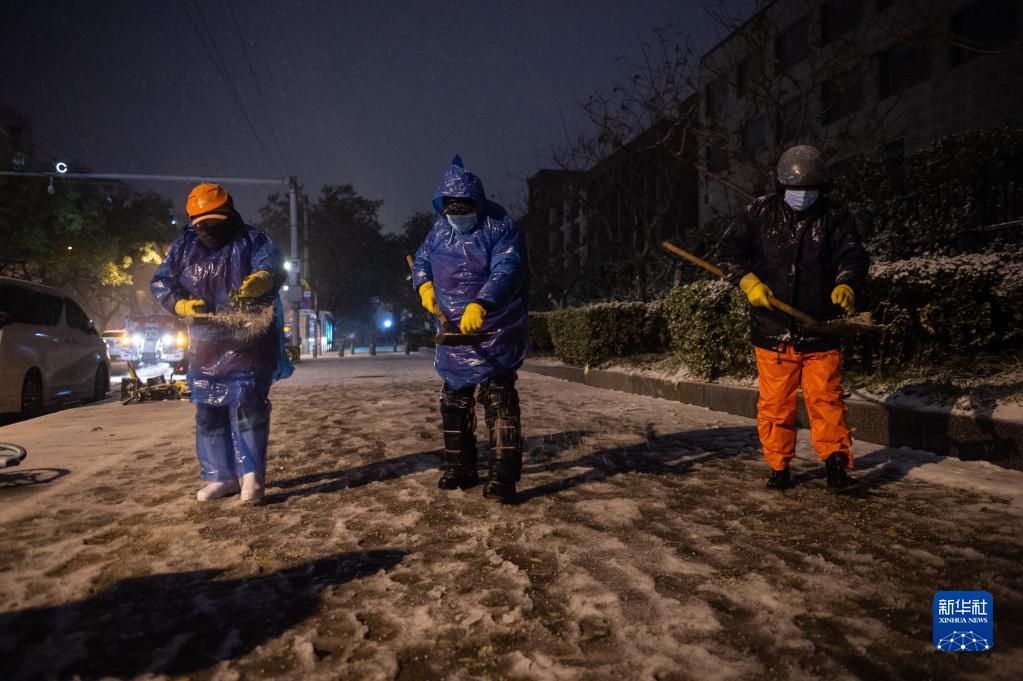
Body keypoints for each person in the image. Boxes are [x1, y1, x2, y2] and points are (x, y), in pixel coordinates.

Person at [718, 145, 869, 490]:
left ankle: (835, 465)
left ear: (823, 189)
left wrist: (847, 283)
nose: (802, 197)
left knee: (827, 401)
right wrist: (746, 279)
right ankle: (779, 466)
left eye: (809, 191)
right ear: (782, 187)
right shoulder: (758, 213)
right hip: (772, 331)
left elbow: (853, 255)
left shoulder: (835, 217)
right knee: (775, 406)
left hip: (821, 329)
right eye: (795, 190)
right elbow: (728, 251)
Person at [151, 182, 291, 503]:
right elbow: (162, 281)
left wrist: (261, 280)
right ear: (192, 222)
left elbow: (270, 262)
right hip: (206, 346)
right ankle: (220, 476)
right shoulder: (183, 249)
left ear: (230, 213)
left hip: (248, 341)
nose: (210, 230)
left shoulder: (252, 241)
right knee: (208, 411)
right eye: (203, 224)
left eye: (216, 221)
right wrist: (182, 305)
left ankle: (252, 477)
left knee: (247, 406)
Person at [411, 156, 529, 504]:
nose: (459, 218)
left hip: (493, 327)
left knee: (499, 400)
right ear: (443, 209)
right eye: (453, 212)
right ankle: (460, 467)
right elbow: (421, 262)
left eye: (465, 211)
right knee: (454, 400)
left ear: (477, 205)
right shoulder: (438, 232)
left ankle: (503, 476)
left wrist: (483, 303)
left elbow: (508, 267)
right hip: (453, 332)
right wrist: (424, 287)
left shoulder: (500, 226)